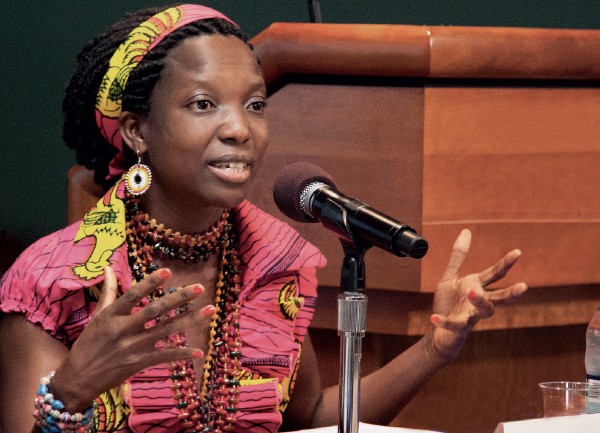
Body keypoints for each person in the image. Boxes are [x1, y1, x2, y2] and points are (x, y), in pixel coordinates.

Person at [0, 4, 528, 433]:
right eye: (204, 104)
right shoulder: (57, 279)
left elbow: (312, 420)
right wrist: (71, 389)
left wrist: (435, 349)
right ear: (137, 131)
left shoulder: (272, 264)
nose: (240, 130)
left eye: (254, 105)